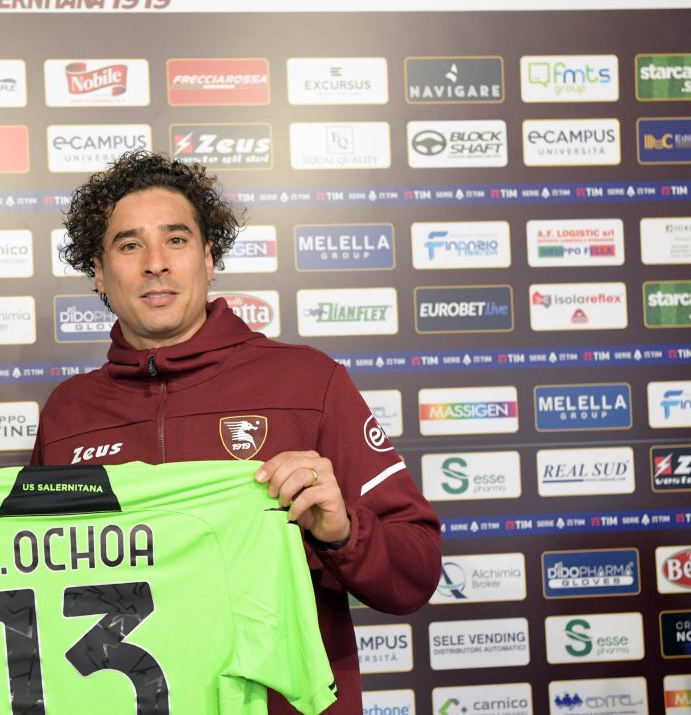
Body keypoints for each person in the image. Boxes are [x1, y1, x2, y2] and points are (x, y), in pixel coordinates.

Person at [30, 149, 441, 715]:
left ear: (208, 257)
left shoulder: (309, 381)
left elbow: (416, 573)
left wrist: (343, 533)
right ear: (99, 272)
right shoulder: (67, 415)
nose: (155, 263)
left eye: (176, 240)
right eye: (129, 245)